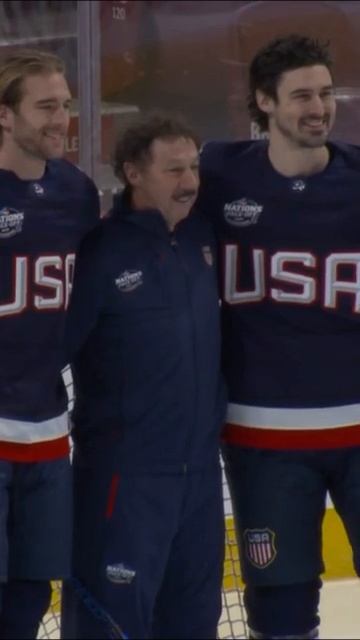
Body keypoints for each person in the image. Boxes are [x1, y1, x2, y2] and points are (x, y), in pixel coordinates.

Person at [198, 33, 360, 640]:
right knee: (282, 613)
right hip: (262, 437)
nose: (319, 107)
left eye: (325, 92)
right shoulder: (215, 172)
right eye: (301, 96)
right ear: (263, 102)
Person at [60, 112, 226, 640]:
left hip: (199, 481)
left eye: (195, 167)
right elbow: (50, 354)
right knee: (112, 627)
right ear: (133, 173)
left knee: (193, 624)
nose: (191, 183)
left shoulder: (203, 236)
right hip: (123, 482)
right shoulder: (98, 253)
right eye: (174, 170)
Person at [0, 49, 99, 639]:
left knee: (31, 597)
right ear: (4, 116)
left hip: (44, 428)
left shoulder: (77, 192)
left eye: (65, 104)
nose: (61, 119)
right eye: (45, 107)